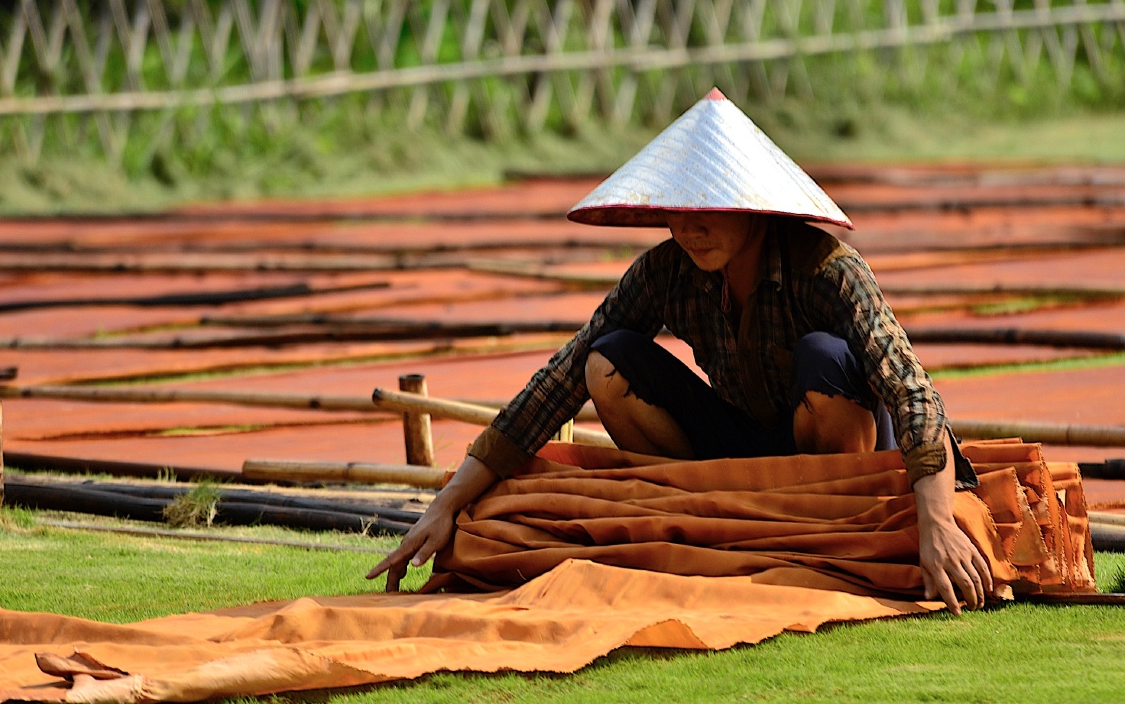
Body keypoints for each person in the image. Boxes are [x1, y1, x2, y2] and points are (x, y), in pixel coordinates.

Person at [368, 88, 993, 615]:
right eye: (677, 208)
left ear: (751, 203)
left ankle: (820, 533)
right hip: (739, 454)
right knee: (607, 359)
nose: (690, 226)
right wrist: (448, 502)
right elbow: (560, 380)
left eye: (709, 207)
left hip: (839, 472)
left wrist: (934, 522)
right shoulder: (664, 272)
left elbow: (910, 388)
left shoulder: (828, 269)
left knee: (824, 355)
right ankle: (706, 518)